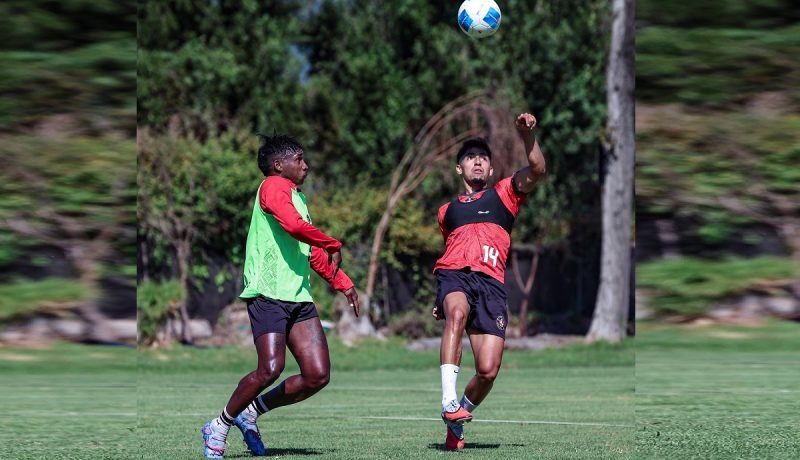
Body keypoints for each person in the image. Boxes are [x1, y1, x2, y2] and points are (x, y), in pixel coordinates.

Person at [201, 134, 360, 459]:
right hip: (268, 293)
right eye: (299, 159)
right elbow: (293, 226)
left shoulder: (298, 198)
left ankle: (250, 412)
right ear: (278, 164)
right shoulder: (273, 186)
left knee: (317, 375)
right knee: (270, 368)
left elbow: (309, 252)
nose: (306, 165)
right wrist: (332, 242)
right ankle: (219, 425)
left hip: (298, 296)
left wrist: (343, 283)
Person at [432, 112, 546, 450]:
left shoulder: (504, 194)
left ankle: (457, 420)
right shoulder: (446, 211)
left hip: (492, 286)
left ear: (492, 169)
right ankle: (448, 402)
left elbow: (538, 169)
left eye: (483, 157)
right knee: (456, 313)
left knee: (488, 370)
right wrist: (441, 297)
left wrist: (527, 135)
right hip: (455, 275)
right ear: (459, 169)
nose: (477, 161)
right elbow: (451, 250)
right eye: (470, 157)